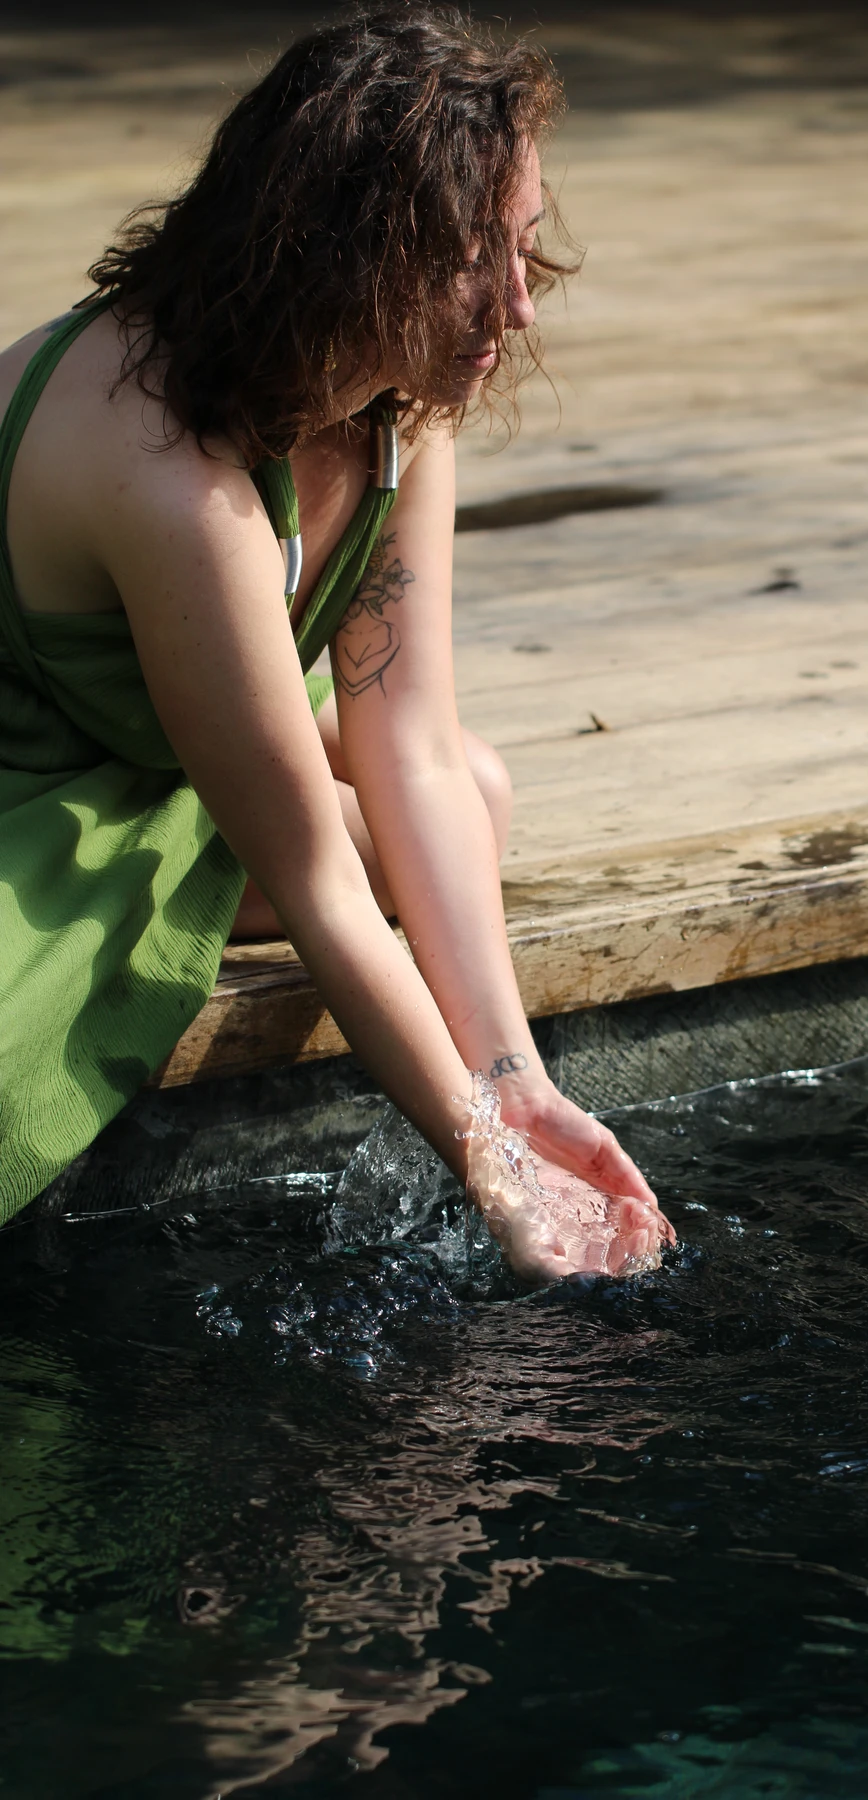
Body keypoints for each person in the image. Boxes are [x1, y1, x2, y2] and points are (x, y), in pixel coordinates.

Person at [0, 4, 673, 1274]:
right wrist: (488, 1165)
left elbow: (407, 743)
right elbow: (313, 875)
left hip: (143, 741)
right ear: (340, 255)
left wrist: (516, 1082)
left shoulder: (395, 401)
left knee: (471, 787)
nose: (519, 310)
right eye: (473, 262)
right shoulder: (171, 479)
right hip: (34, 784)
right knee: (376, 863)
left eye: (525, 253)